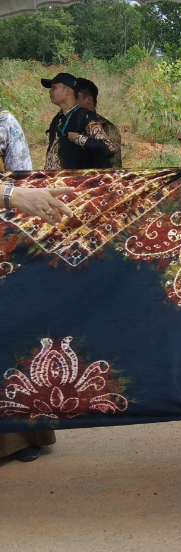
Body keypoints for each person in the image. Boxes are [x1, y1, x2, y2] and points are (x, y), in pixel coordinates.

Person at [1, 109, 73, 462]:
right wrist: (10, 195)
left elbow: (23, 180)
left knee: (10, 329)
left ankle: (20, 438)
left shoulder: (4, 123)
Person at [42, 72, 115, 170]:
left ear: (68, 91)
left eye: (54, 87)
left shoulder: (86, 117)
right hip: (56, 181)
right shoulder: (57, 119)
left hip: (77, 182)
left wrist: (81, 139)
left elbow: (108, 148)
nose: (50, 91)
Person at [76, 78, 122, 169]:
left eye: (75, 98)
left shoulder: (107, 129)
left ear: (89, 100)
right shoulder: (64, 125)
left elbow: (115, 170)